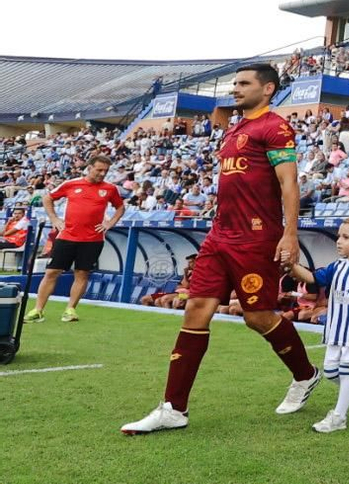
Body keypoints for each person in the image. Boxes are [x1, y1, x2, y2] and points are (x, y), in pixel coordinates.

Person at [122, 64, 321, 435]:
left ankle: (306, 375)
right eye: (235, 83)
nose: (235, 89)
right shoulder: (234, 130)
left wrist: (290, 234)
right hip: (219, 235)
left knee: (257, 316)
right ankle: (173, 408)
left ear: (267, 89)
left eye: (244, 83)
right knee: (196, 309)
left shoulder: (274, 127)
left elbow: (289, 183)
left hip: (256, 237)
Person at [281, 216, 349, 433]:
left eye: (346, 237)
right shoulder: (337, 266)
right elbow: (311, 277)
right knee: (330, 372)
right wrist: (291, 265)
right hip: (335, 328)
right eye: (338, 236)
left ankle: (338, 418)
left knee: (346, 372)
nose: (338, 241)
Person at [27, 152, 125, 323]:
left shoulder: (110, 188)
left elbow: (120, 207)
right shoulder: (71, 184)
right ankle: (38, 310)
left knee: (82, 273)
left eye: (106, 171)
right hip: (67, 236)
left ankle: (70, 310)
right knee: (52, 272)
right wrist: (55, 219)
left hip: (93, 239)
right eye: (99, 170)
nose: (102, 174)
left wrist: (110, 224)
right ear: (89, 168)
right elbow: (47, 198)